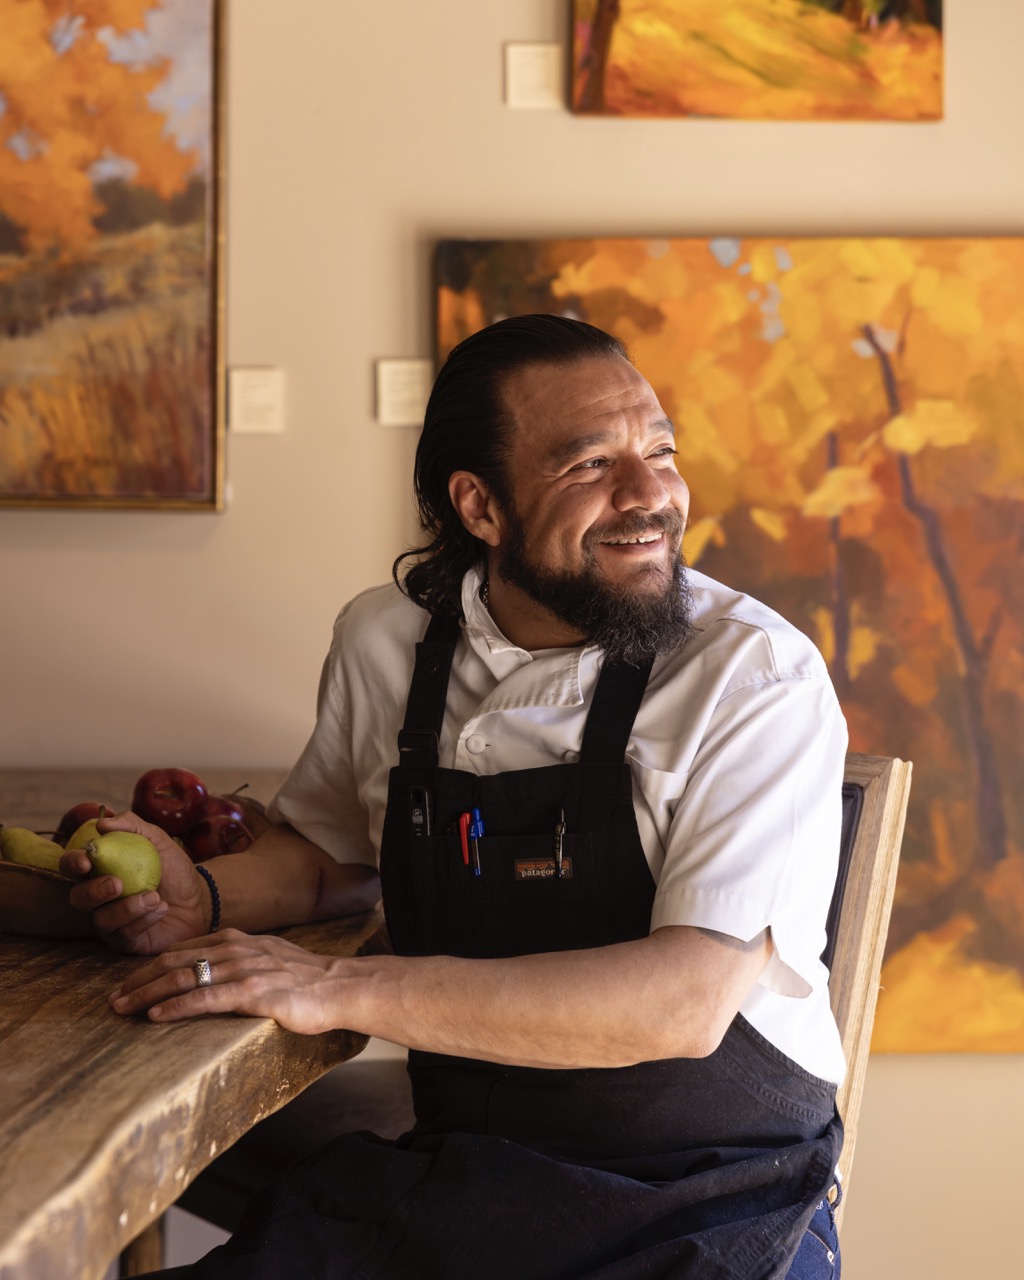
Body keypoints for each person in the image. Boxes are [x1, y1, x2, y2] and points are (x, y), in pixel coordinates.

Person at [68, 315, 848, 1279]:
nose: (652, 495)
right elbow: (328, 858)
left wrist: (337, 986)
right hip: (469, 1177)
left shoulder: (754, 676)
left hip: (711, 1198)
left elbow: (680, 1008)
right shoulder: (386, 642)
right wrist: (208, 900)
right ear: (479, 506)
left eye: (659, 450)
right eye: (590, 465)